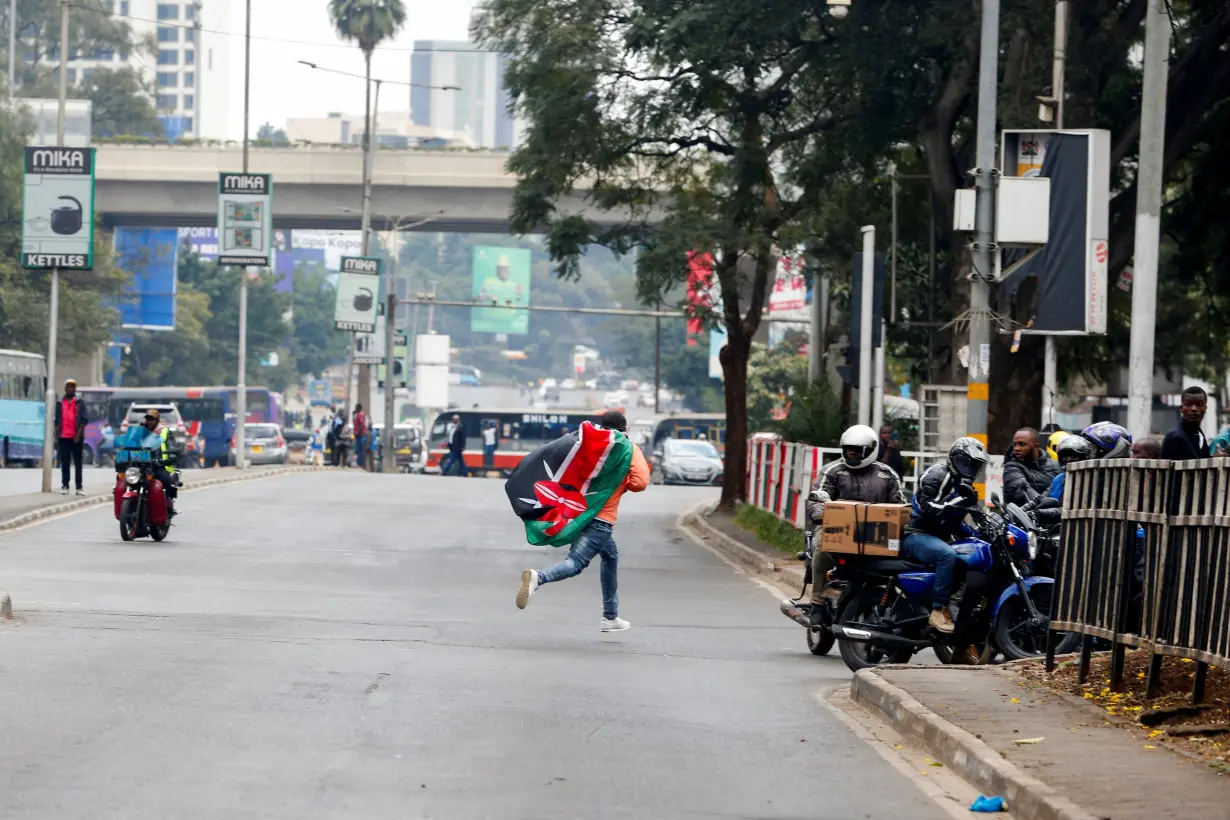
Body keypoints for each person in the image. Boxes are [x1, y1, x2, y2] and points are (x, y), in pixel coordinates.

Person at [515, 410, 650, 632]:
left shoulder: (585, 444)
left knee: (610, 556)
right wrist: (619, 483)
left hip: (577, 514)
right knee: (576, 563)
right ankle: (539, 578)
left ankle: (610, 615)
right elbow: (641, 482)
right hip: (601, 519)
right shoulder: (628, 449)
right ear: (624, 429)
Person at [806, 425, 904, 616]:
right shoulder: (832, 471)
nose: (852, 452)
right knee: (821, 547)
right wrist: (819, 513)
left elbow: (899, 504)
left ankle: (893, 604)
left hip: (876, 534)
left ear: (870, 450)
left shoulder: (887, 474)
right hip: (836, 530)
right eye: (849, 448)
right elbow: (818, 497)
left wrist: (904, 521)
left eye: (858, 449)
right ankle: (817, 602)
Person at [904, 437, 988, 635]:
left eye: (975, 465)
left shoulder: (963, 486)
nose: (970, 468)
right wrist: (959, 503)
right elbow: (927, 508)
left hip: (939, 535)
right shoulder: (937, 475)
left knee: (975, 547)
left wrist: (983, 531)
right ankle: (938, 610)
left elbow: (966, 517)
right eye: (966, 462)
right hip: (917, 533)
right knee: (947, 555)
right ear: (955, 458)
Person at [1003, 427, 1060, 507]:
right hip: (1021, 517)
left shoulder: (1056, 466)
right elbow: (1023, 493)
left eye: (1022, 444)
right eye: (1015, 444)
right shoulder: (1011, 467)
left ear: (1035, 446)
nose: (1016, 448)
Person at [140, 409, 180, 515]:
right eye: (148, 419)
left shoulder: (165, 431)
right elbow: (130, 443)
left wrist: (170, 455)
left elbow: (172, 445)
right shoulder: (140, 431)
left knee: (167, 480)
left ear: (157, 420)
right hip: (141, 465)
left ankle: (168, 505)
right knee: (123, 477)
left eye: (152, 419)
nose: (150, 422)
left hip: (159, 465)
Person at [54, 378, 87, 495]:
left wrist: (78, 434)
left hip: (76, 437)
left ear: (75, 389)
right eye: (68, 386)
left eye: (72, 387)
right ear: (65, 388)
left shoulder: (80, 402)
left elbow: (84, 420)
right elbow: (57, 421)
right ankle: (65, 485)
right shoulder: (59, 403)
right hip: (63, 437)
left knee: (78, 463)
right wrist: (55, 437)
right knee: (65, 462)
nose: (70, 389)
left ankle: (79, 487)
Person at [1161, 386, 1211, 460]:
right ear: (1181, 408)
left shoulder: (1198, 432)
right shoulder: (1176, 437)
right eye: (1188, 404)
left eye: (1199, 404)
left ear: (1205, 408)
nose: (1194, 409)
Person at [1047, 434, 1097, 502]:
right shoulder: (1059, 479)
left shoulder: (1092, 479)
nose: (1069, 459)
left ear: (1084, 458)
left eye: (1074, 456)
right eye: (1065, 456)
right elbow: (1043, 497)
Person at [353, 404, 368, 470]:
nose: (355, 409)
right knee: (357, 449)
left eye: (356, 408)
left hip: (360, 434)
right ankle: (358, 463)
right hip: (358, 434)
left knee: (359, 449)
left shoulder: (360, 414)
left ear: (359, 408)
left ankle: (360, 463)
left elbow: (361, 424)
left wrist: (357, 431)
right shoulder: (357, 414)